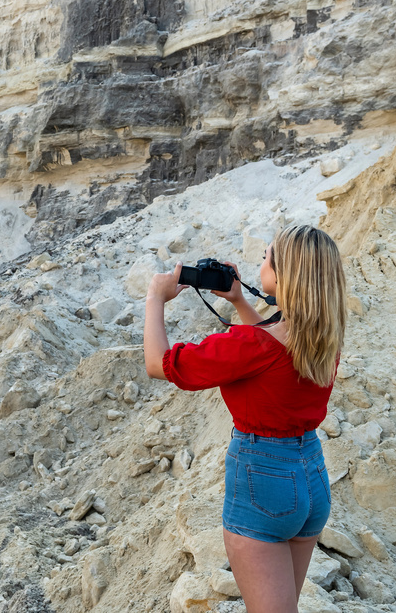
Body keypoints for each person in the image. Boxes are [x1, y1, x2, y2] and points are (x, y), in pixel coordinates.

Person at [143, 224, 346, 613]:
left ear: (287, 274)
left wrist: (156, 298)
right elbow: (272, 351)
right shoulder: (323, 335)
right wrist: (239, 301)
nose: (261, 262)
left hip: (263, 481)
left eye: (267, 256)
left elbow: (159, 364)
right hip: (311, 477)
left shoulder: (251, 344)